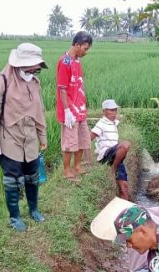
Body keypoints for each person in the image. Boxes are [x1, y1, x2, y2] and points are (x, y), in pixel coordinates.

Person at [0, 43, 48, 232]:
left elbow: (40, 110)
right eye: (31, 67)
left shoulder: (34, 82)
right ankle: (15, 217)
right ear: (19, 64)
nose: (34, 71)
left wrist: (42, 135)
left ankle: (34, 209)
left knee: (32, 174)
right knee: (12, 178)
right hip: (9, 137)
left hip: (30, 138)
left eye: (36, 68)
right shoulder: (0, 81)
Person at [56, 31, 93, 181]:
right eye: (85, 48)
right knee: (70, 142)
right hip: (69, 110)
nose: (86, 52)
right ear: (76, 45)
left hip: (80, 108)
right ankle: (66, 170)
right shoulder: (64, 62)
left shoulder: (77, 61)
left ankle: (77, 166)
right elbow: (62, 88)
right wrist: (67, 110)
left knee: (82, 139)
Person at [91, 99, 131, 200]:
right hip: (106, 155)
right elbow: (89, 138)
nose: (114, 113)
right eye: (111, 110)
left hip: (115, 157)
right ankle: (113, 169)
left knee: (124, 188)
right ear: (104, 111)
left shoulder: (114, 124)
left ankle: (124, 213)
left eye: (115, 110)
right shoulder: (101, 123)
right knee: (125, 144)